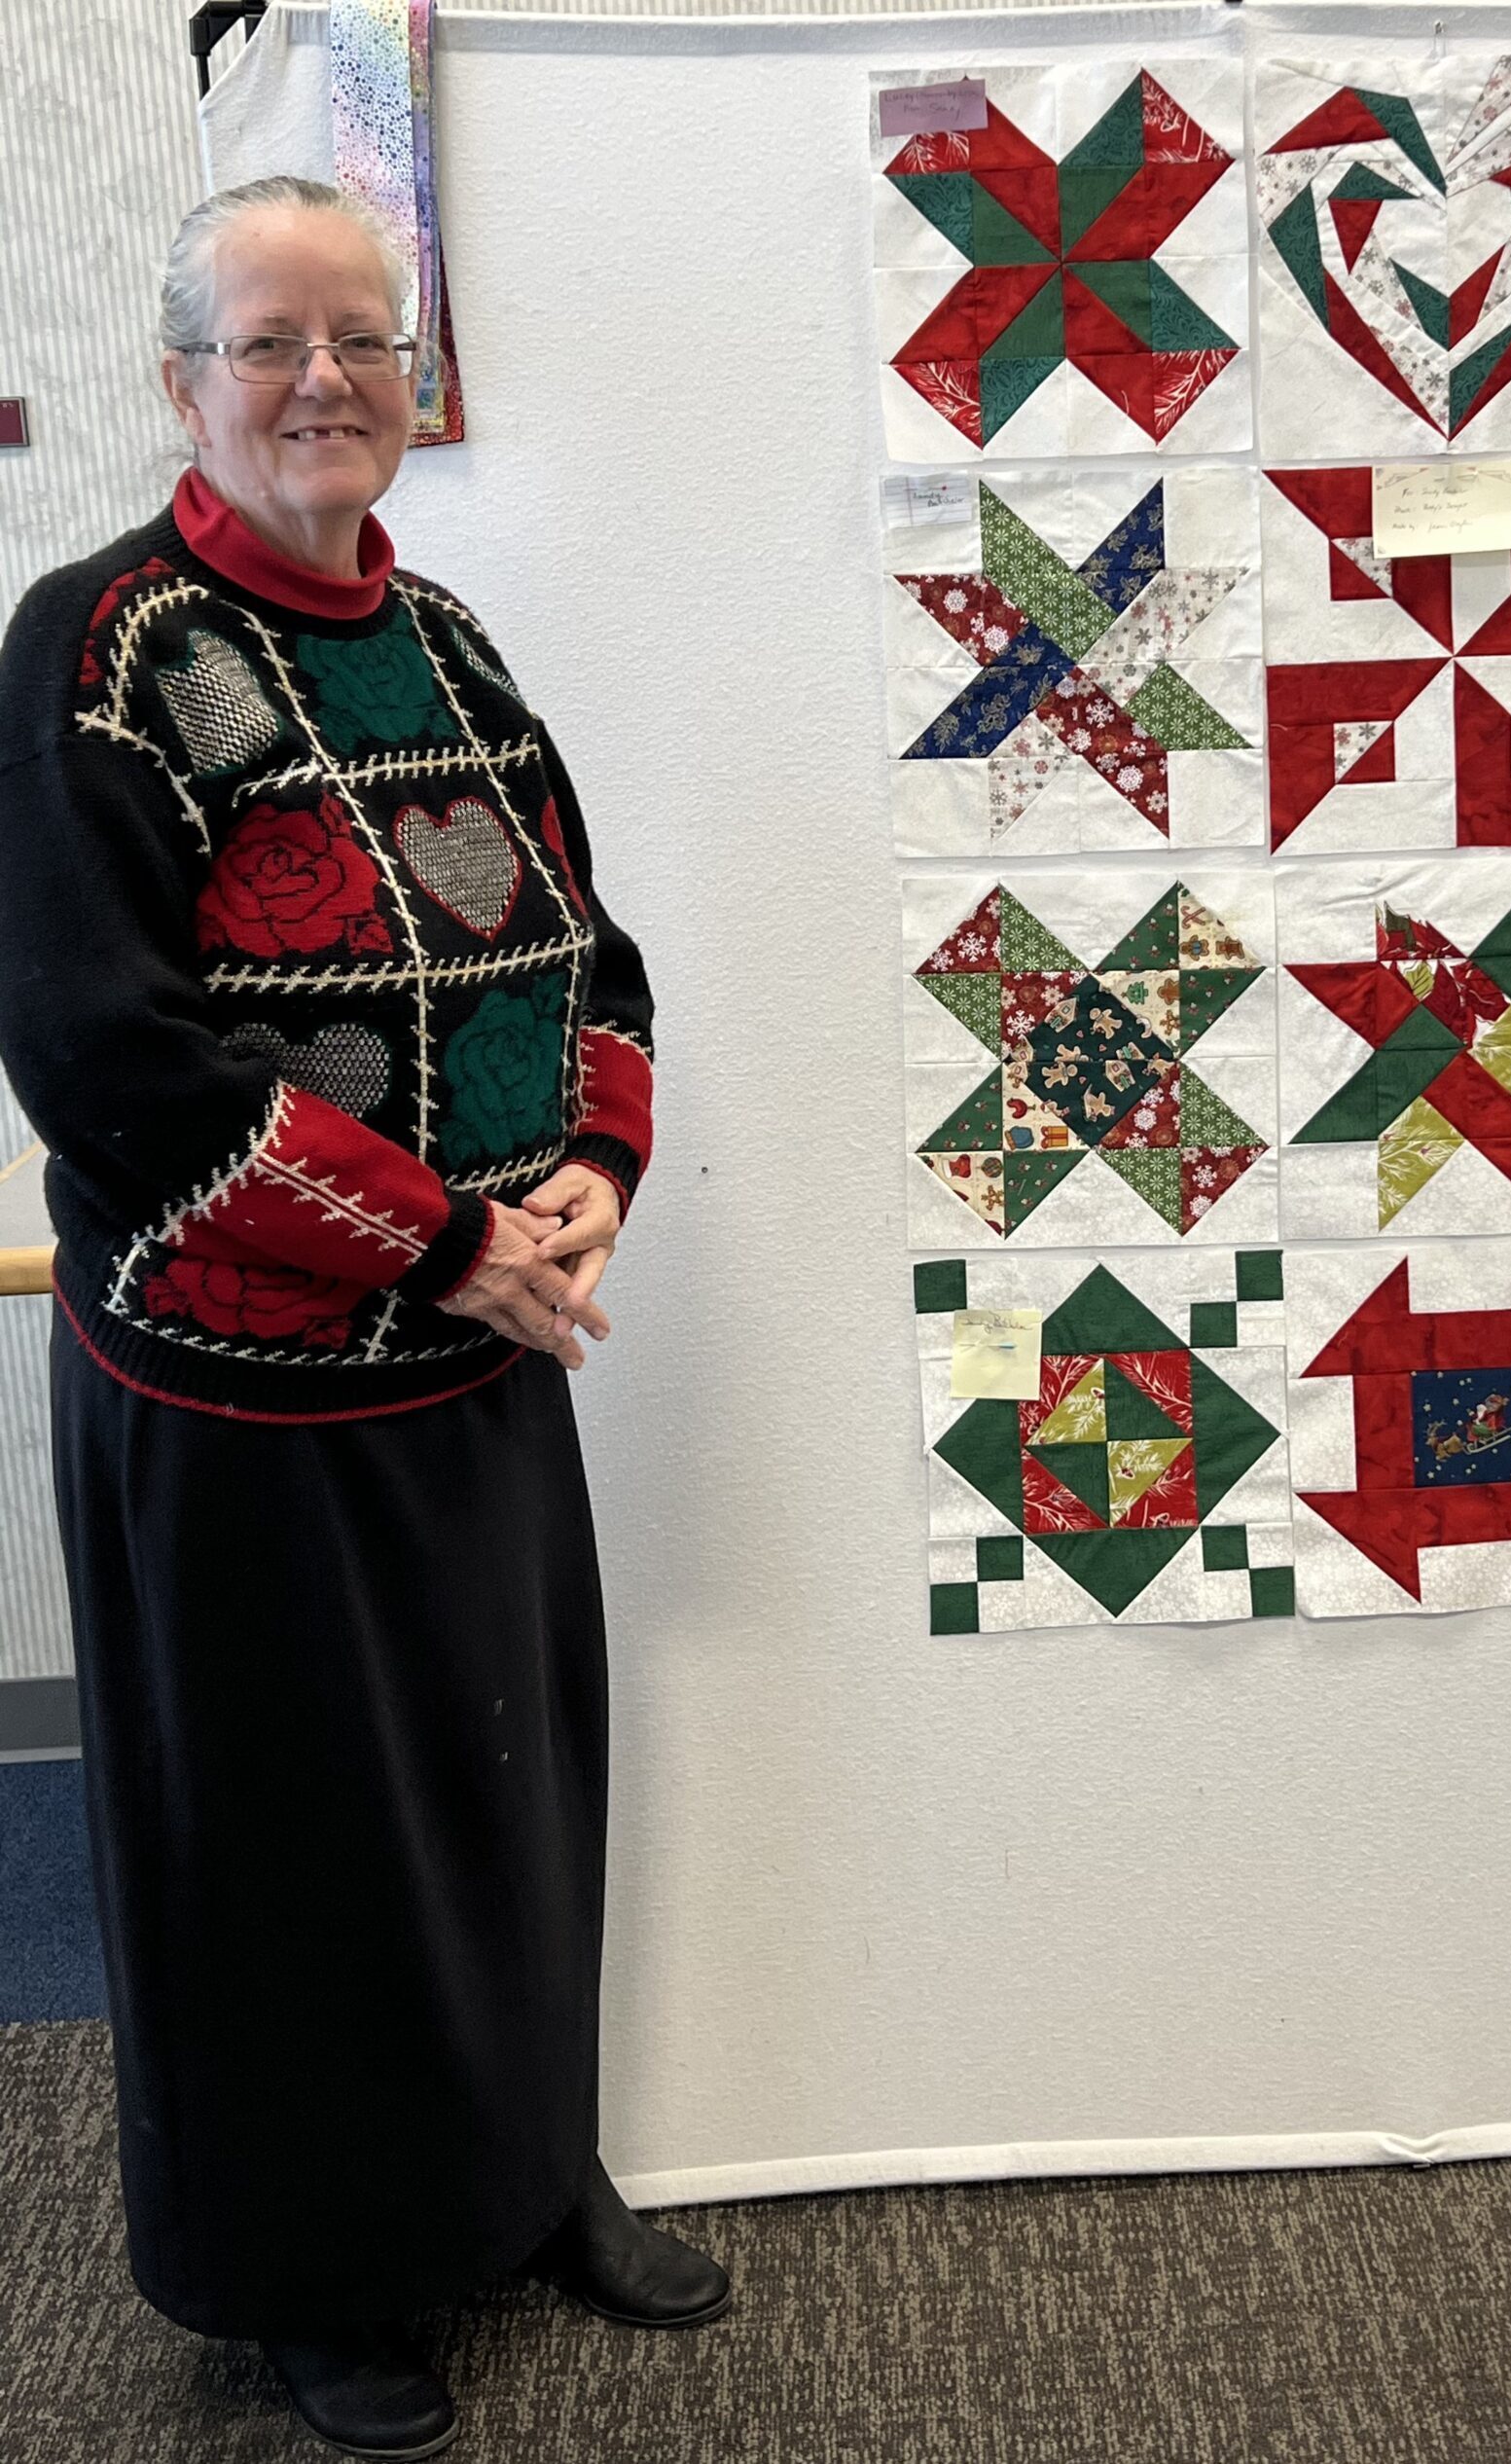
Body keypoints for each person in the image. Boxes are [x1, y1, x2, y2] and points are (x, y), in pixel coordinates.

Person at [0, 175, 726, 2461]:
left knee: (509, 1795)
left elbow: (586, 956)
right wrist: (436, 1241)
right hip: (238, 1394)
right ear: (180, 382)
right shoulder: (95, 648)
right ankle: (315, 2275)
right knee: (290, 1848)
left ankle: (521, 2183)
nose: (326, 380)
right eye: (270, 342)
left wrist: (592, 1168)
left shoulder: (452, 641)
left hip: (483, 1351)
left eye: (365, 342)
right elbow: (105, 1055)